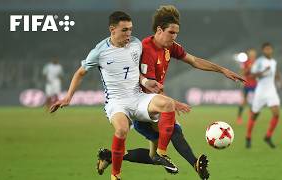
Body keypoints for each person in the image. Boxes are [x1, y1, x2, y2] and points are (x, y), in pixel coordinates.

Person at [97, 6, 245, 180]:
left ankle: (109, 155)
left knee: (153, 157)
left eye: (176, 33)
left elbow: (194, 60)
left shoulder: (169, 47)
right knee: (174, 131)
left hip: (151, 103)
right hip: (139, 104)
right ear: (159, 30)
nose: (174, 37)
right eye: (171, 32)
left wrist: (222, 70)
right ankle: (196, 165)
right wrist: (173, 103)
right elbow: (148, 89)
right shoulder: (146, 49)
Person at [50, 11, 181, 180]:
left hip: (137, 97)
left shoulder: (136, 44)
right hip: (116, 102)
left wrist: (146, 82)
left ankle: (161, 154)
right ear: (112, 30)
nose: (129, 34)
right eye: (124, 30)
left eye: (130, 30)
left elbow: (136, 70)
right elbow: (80, 73)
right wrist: (68, 97)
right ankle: (116, 176)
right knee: (121, 129)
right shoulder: (99, 52)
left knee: (168, 104)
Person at [246, 42, 282, 149]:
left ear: (272, 50)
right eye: (266, 49)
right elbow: (251, 76)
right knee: (254, 115)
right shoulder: (259, 62)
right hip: (260, 91)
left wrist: (278, 78)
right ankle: (248, 137)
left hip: (271, 91)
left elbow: (275, 72)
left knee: (276, 114)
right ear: (263, 50)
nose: (268, 51)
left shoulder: (273, 62)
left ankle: (268, 136)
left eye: (269, 49)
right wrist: (262, 72)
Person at [236, 49, 257, 124]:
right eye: (251, 53)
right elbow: (242, 73)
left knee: (255, 101)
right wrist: (249, 68)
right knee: (244, 101)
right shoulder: (245, 63)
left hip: (256, 84)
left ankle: (252, 115)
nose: (252, 55)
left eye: (253, 53)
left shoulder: (257, 63)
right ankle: (239, 117)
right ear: (249, 54)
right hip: (247, 84)